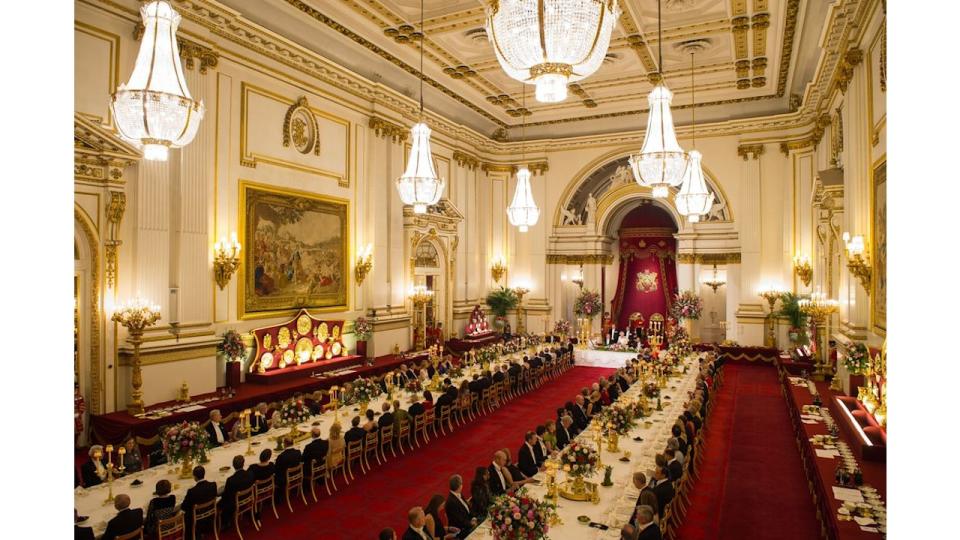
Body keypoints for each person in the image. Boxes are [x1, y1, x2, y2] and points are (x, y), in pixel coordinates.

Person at [181, 466, 216, 538]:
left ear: (195, 477)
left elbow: (184, 507)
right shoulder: (213, 485)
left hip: (197, 519)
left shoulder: (192, 491)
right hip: (210, 514)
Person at [220, 455, 254, 527]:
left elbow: (226, 496)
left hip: (235, 504)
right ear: (243, 464)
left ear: (233, 465)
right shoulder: (250, 474)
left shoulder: (231, 480)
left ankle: (225, 522)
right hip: (248, 498)